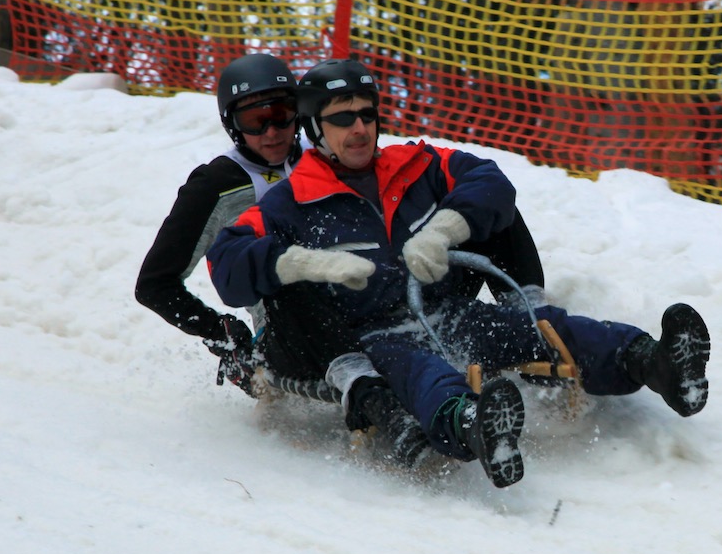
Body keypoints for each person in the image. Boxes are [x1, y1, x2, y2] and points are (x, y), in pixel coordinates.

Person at [207, 58, 711, 489]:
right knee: (421, 371)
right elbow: (227, 261)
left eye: (366, 115)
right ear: (316, 130)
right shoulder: (291, 201)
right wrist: (305, 262)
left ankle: (652, 362)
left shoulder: (417, 164)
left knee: (541, 326)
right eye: (342, 119)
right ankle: (472, 425)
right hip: (375, 336)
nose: (359, 128)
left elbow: (490, 182)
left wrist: (443, 230)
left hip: (446, 311)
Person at [136, 53, 545, 469]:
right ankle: (375, 396)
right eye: (255, 121)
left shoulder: (332, 150)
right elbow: (155, 284)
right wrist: (225, 336)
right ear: (232, 124)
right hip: (302, 329)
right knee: (297, 272)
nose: (272, 131)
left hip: (389, 294)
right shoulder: (216, 186)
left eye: (282, 115)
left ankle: (534, 323)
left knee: (485, 200)